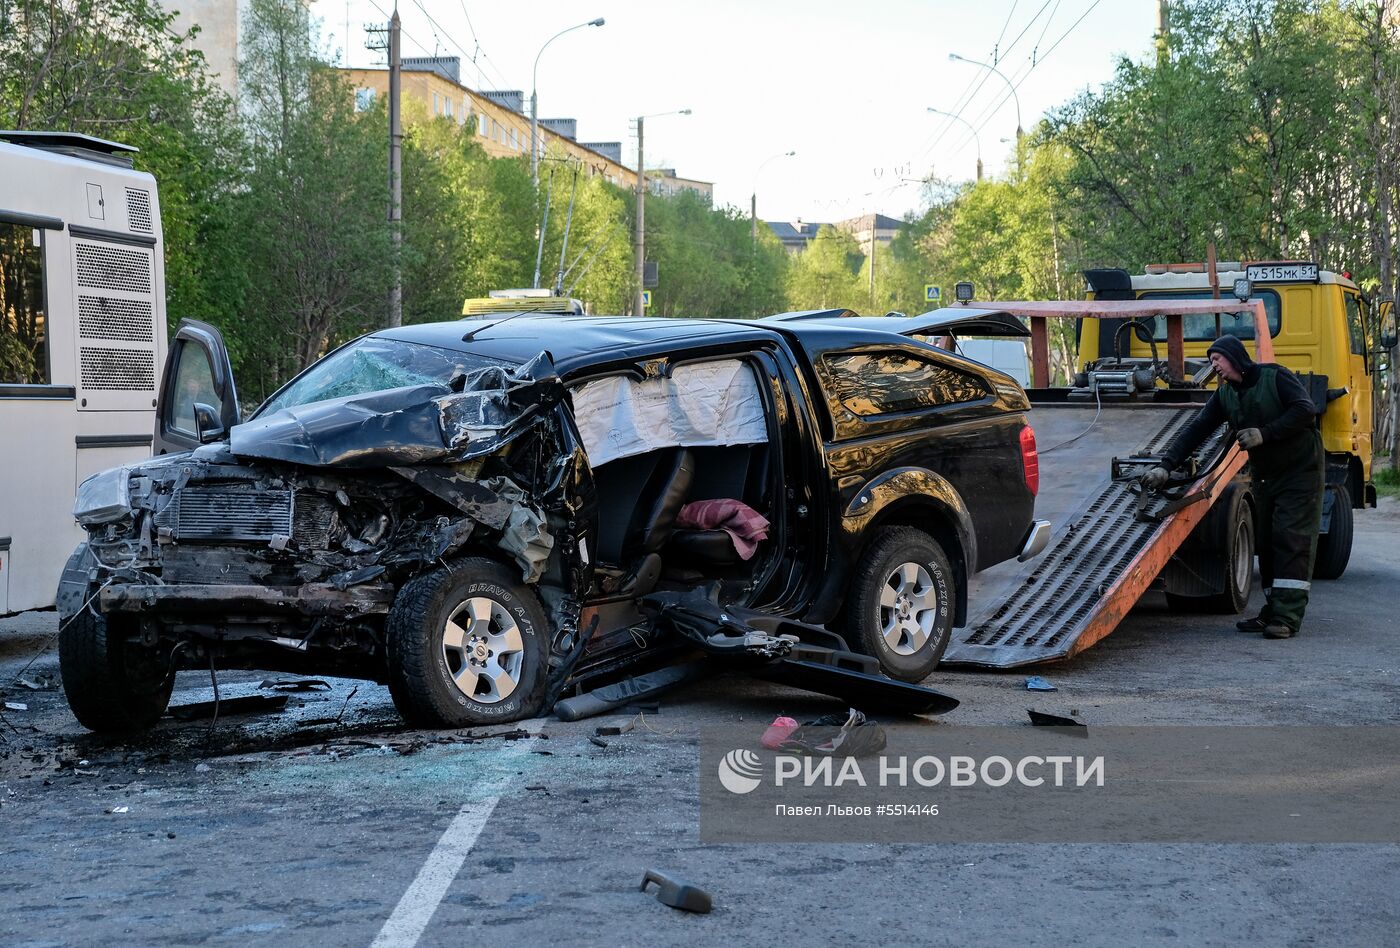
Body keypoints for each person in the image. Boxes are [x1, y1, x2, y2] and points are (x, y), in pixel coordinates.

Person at [1141, 335, 1323, 639]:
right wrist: (1165, 465)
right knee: (1266, 541)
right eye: (1211, 361)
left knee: (1291, 539)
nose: (1214, 366)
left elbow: (1305, 410)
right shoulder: (1226, 395)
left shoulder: (1275, 377)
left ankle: (1287, 616)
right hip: (1267, 476)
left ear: (1235, 357)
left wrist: (1266, 433)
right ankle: (1273, 610)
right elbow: (1196, 429)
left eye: (1218, 359)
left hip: (1299, 473)